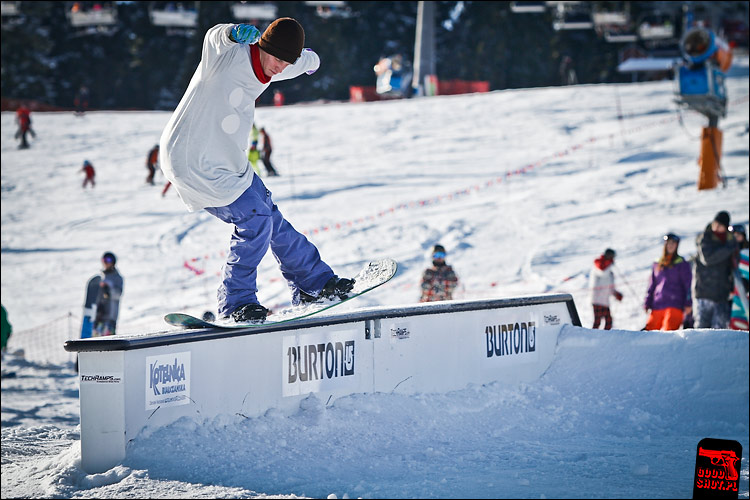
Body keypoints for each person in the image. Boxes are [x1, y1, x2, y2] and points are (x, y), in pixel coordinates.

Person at [159, 18, 353, 323]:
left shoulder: (279, 62)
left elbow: (299, 61)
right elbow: (214, 38)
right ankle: (236, 301)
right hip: (191, 158)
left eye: (285, 62)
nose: (279, 68)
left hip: (227, 162)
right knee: (255, 218)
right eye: (277, 59)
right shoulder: (229, 55)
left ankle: (313, 283)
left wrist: (312, 61)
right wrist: (232, 32)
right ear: (263, 46)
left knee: (268, 212)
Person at [693, 211, 738, 329]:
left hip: (722, 295)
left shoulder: (730, 241)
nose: (717, 227)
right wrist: (728, 249)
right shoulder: (704, 237)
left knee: (718, 335)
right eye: (715, 224)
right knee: (701, 332)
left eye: (721, 225)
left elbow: (735, 265)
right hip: (704, 293)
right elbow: (707, 259)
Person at [643, 233, 693, 331]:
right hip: (658, 303)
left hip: (675, 304)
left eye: (673, 243)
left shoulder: (682, 264)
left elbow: (687, 285)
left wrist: (688, 303)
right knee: (648, 332)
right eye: (668, 243)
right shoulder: (657, 264)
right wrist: (647, 302)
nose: (670, 246)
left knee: (668, 333)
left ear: (677, 246)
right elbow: (652, 285)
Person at [589, 248, 623, 330]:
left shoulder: (609, 271)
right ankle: (591, 338)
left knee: (609, 321)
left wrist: (616, 294)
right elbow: (602, 272)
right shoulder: (598, 264)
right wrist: (609, 263)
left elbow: (610, 287)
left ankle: (605, 339)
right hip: (597, 300)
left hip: (604, 301)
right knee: (597, 322)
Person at [93, 252, 124, 336]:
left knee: (108, 342)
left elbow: (118, 294)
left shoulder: (117, 278)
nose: (106, 262)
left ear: (113, 262)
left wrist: (109, 288)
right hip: (99, 316)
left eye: (108, 260)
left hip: (110, 317)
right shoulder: (101, 277)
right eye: (104, 260)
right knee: (95, 342)